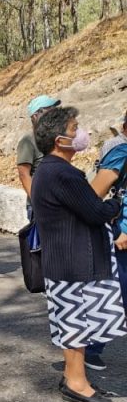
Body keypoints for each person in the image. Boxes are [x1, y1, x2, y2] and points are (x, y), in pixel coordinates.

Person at [31, 106, 126, 402]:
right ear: (59, 140)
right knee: (77, 324)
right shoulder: (63, 173)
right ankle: (76, 382)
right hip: (74, 262)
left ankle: (75, 377)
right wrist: (117, 204)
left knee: (71, 323)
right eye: (74, 128)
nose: (80, 133)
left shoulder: (48, 169)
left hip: (63, 260)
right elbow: (94, 211)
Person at [83, 110, 127, 371]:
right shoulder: (120, 149)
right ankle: (90, 347)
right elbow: (98, 192)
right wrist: (119, 228)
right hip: (121, 231)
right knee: (118, 293)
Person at [16, 94, 60, 214]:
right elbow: (24, 174)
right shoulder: (28, 141)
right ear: (35, 116)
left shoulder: (55, 139)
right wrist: (38, 201)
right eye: (50, 111)